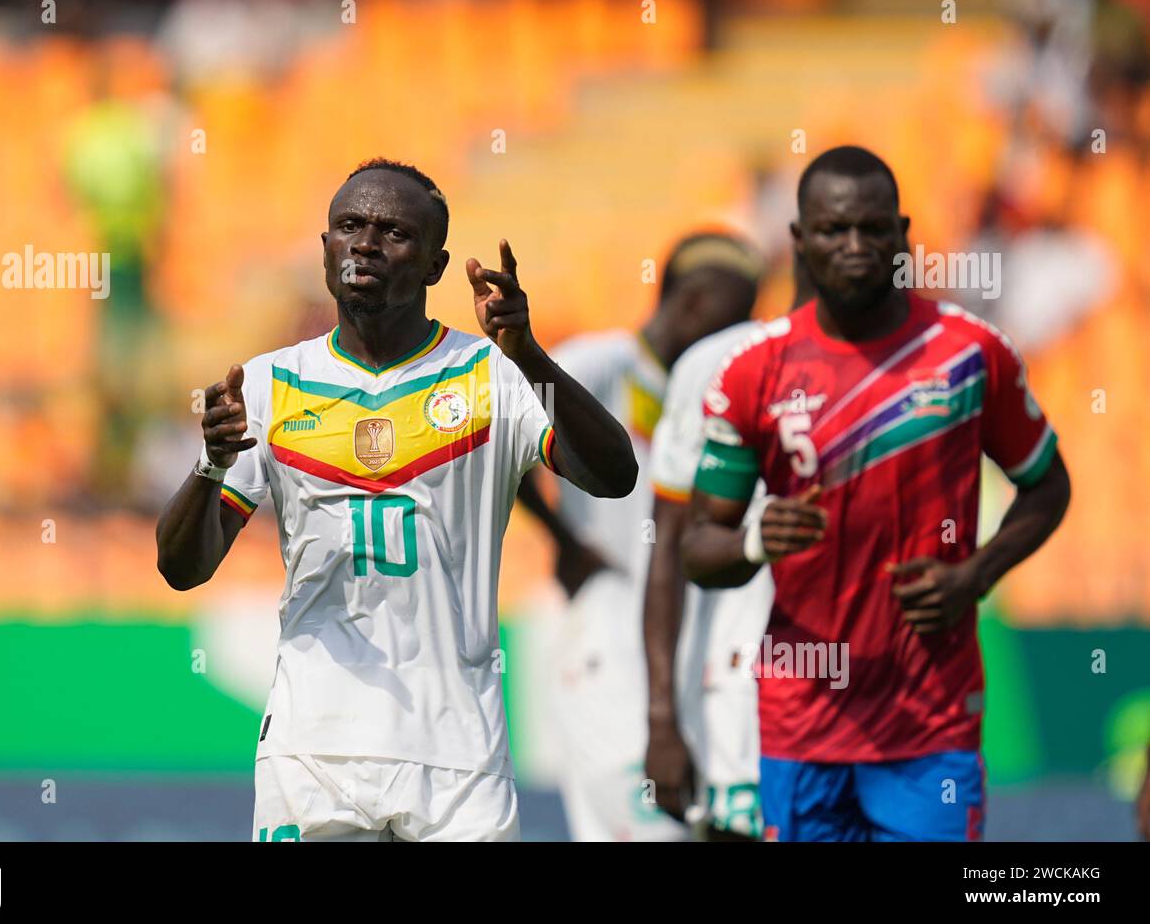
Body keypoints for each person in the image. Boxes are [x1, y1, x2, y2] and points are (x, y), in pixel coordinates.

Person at [155, 159, 637, 842]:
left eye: (394, 232)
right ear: (325, 248)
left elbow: (614, 474)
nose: (366, 244)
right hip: (313, 747)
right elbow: (181, 568)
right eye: (349, 226)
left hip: (458, 752)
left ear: (437, 266)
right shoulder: (267, 385)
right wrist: (211, 463)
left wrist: (530, 354)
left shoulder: (493, 376)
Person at [680, 146, 1071, 842]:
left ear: (902, 234)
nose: (856, 246)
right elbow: (698, 546)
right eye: (834, 230)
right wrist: (753, 540)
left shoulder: (968, 353)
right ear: (800, 242)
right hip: (801, 721)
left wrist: (976, 573)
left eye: (874, 228)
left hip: (932, 721)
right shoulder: (753, 374)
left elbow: (1048, 484)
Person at [517, 232, 764, 840]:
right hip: (605, 630)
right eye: (734, 318)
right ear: (692, 303)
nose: (739, 338)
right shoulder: (600, 362)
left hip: (679, 639)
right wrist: (564, 542)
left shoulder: (710, 393)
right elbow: (505, 436)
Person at [643, 255, 814, 841]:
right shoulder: (720, 363)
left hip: (860, 692)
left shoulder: (905, 363)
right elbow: (667, 546)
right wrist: (661, 719)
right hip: (737, 686)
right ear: (801, 244)